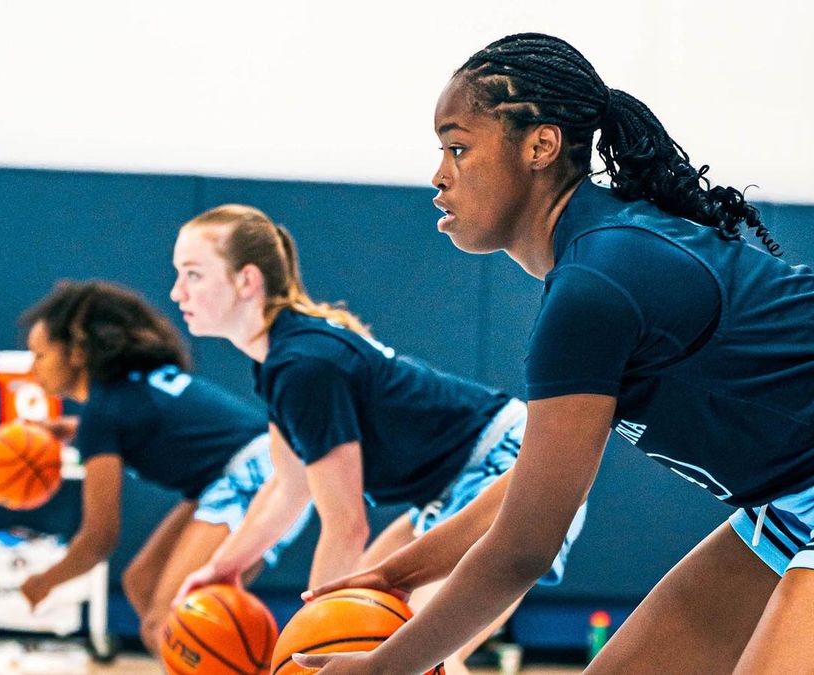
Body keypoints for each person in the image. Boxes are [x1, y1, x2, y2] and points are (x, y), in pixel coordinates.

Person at [294, 33, 814, 674]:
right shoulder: (594, 267)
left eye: (457, 146)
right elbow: (525, 493)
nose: (439, 173)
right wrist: (395, 573)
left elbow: (524, 547)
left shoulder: (596, 283)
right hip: (811, 490)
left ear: (540, 145)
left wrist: (385, 665)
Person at [168, 204, 584, 675]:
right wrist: (225, 566)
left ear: (246, 281)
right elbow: (289, 487)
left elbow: (345, 525)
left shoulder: (304, 364)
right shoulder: (280, 359)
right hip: (448, 484)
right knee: (368, 620)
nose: (177, 291)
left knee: (426, 651)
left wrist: (304, 653)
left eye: (193, 274)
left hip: (500, 466)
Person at [15, 280, 308, 654]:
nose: (32, 368)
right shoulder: (122, 393)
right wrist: (74, 432)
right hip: (255, 469)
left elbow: (98, 539)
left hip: (258, 478)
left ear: (75, 352)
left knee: (169, 624)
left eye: (40, 355)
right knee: (143, 584)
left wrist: (43, 582)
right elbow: (149, 426)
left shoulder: (103, 413)